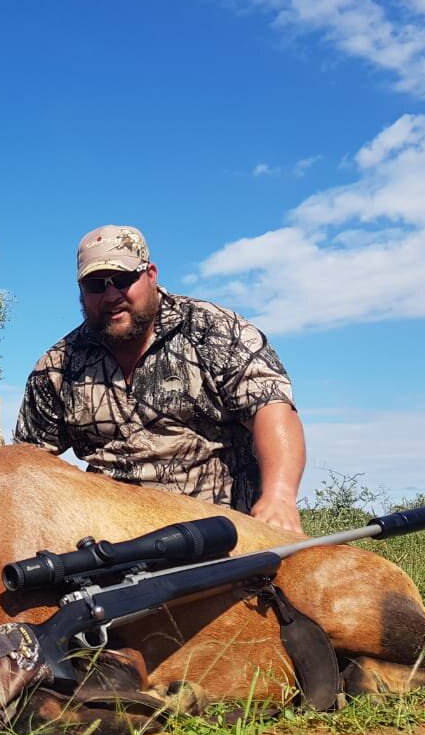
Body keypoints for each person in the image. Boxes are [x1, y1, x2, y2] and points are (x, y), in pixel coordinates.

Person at [15, 224, 306, 533]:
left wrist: (279, 496)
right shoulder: (58, 366)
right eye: (96, 285)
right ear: (81, 291)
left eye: (124, 279)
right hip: (107, 541)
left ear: (150, 274)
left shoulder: (213, 330)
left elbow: (271, 409)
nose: (111, 295)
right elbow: (28, 462)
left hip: (222, 533)